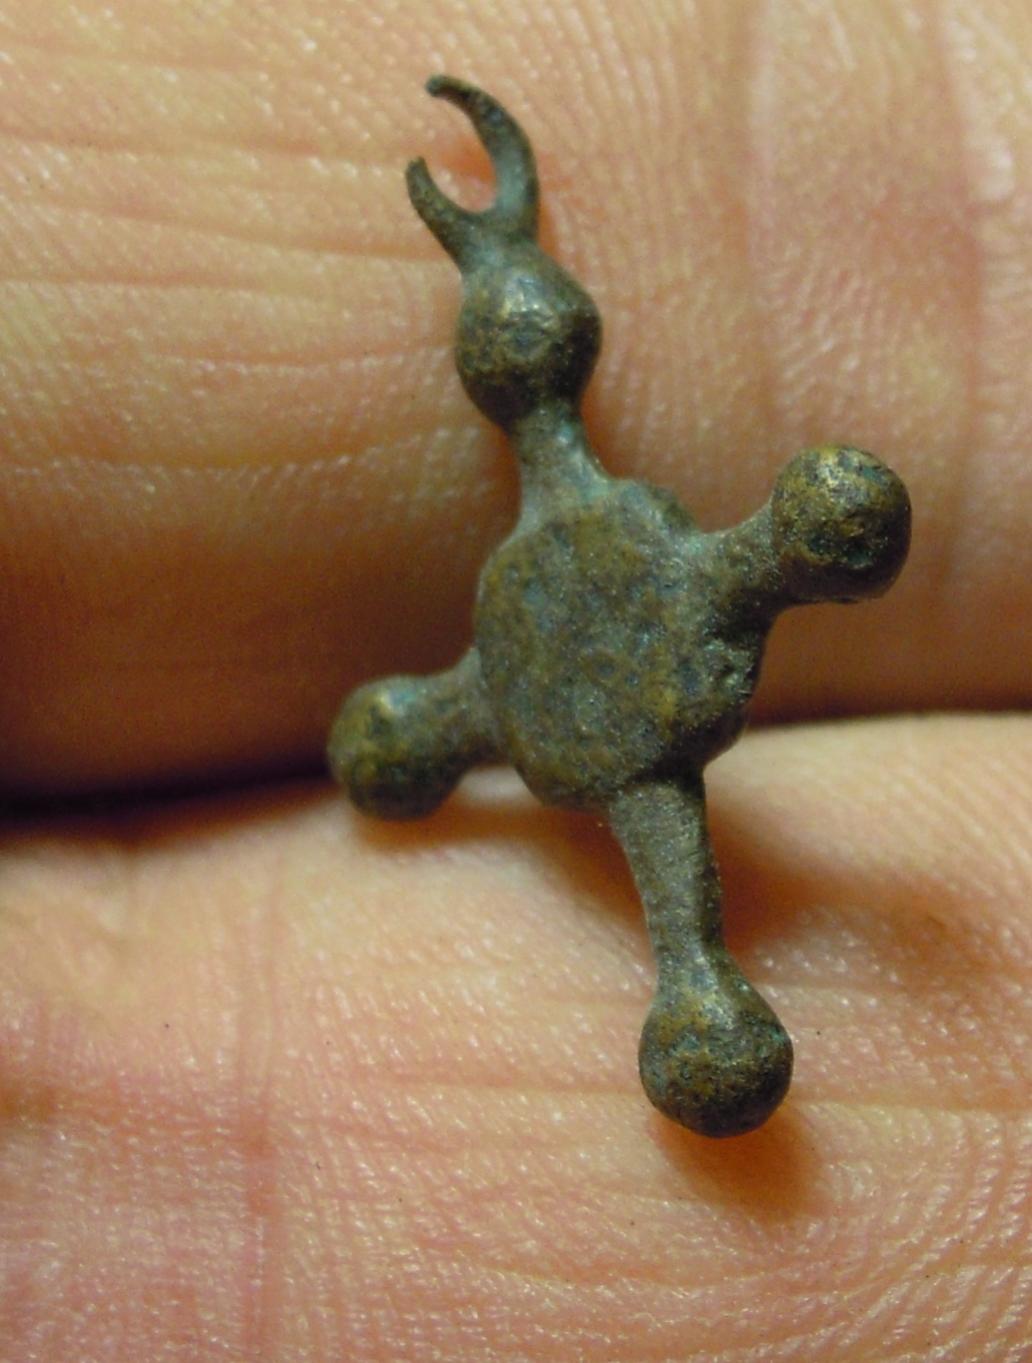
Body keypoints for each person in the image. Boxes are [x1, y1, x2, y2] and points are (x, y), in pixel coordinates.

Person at [0, 3, 1029, 1359]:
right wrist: (495, 252)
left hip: (488, 713)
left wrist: (499, 256)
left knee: (410, 740)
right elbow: (543, 399)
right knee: (429, 749)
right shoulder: (644, 569)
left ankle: (613, 915)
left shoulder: (613, 576)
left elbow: (532, 395)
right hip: (495, 707)